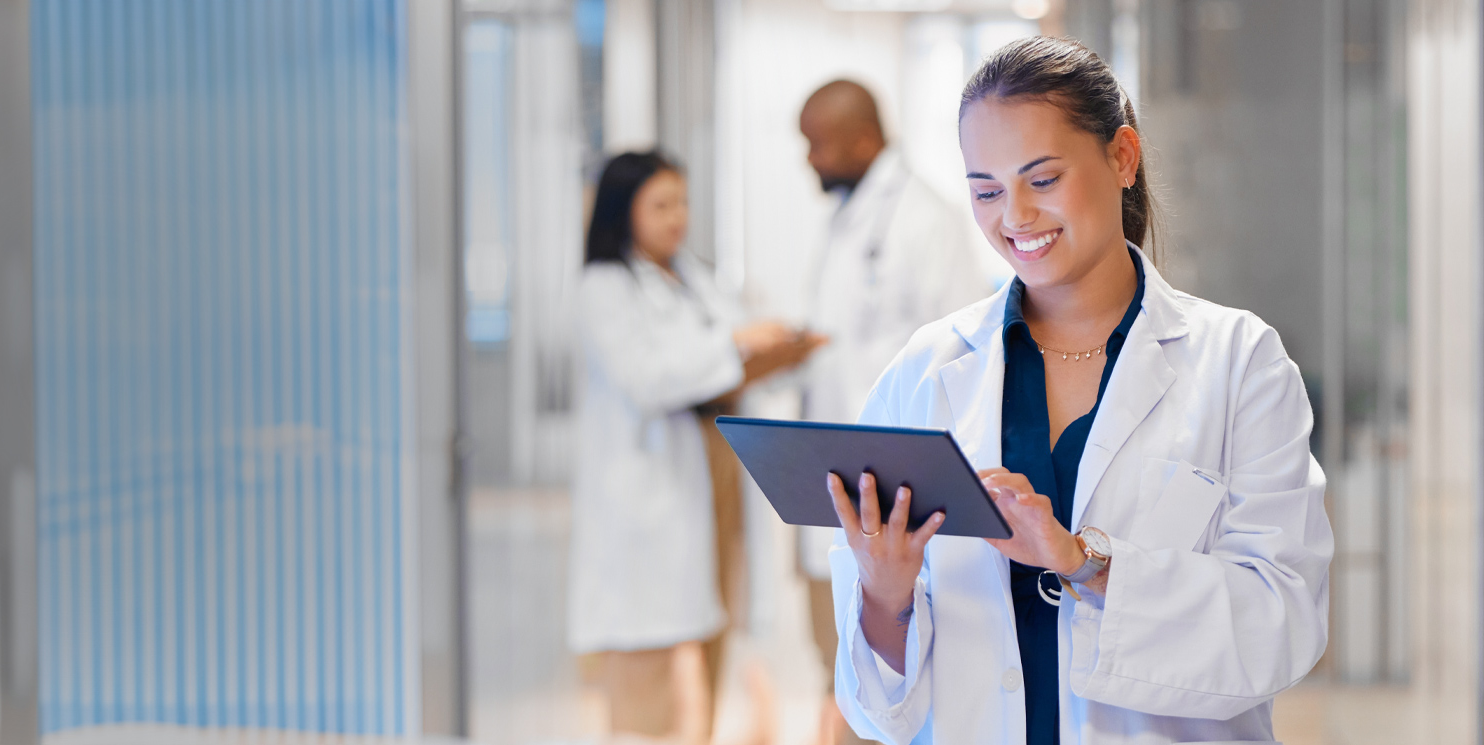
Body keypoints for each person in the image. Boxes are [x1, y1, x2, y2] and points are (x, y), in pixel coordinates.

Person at [823, 38, 1332, 744]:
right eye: (987, 190)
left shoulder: (1239, 361)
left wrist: (1084, 562)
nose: (1016, 216)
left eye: (1043, 178)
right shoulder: (924, 372)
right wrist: (884, 593)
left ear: (1122, 157)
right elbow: (875, 704)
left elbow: (1283, 620)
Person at [569, 151, 825, 742]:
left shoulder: (691, 276)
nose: (676, 218)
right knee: (647, 649)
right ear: (622, 211)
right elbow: (648, 378)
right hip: (651, 487)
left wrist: (780, 349)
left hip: (714, 471)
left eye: (681, 202)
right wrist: (738, 344)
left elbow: (728, 354)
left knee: (710, 627)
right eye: (660, 205)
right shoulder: (603, 287)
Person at [794, 79, 1009, 745]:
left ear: (861, 140)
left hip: (902, 492)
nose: (809, 159)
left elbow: (964, 361)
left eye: (818, 144)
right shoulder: (850, 212)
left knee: (889, 684)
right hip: (843, 479)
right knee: (844, 662)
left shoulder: (927, 218)